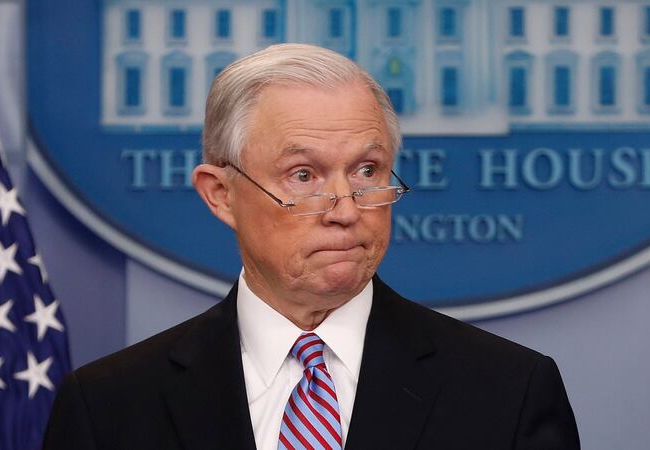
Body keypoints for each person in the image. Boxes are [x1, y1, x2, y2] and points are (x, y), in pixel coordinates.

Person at [43, 43, 580, 450]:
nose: (346, 209)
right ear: (221, 195)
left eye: (368, 170)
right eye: (303, 175)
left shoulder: (508, 391)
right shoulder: (109, 408)